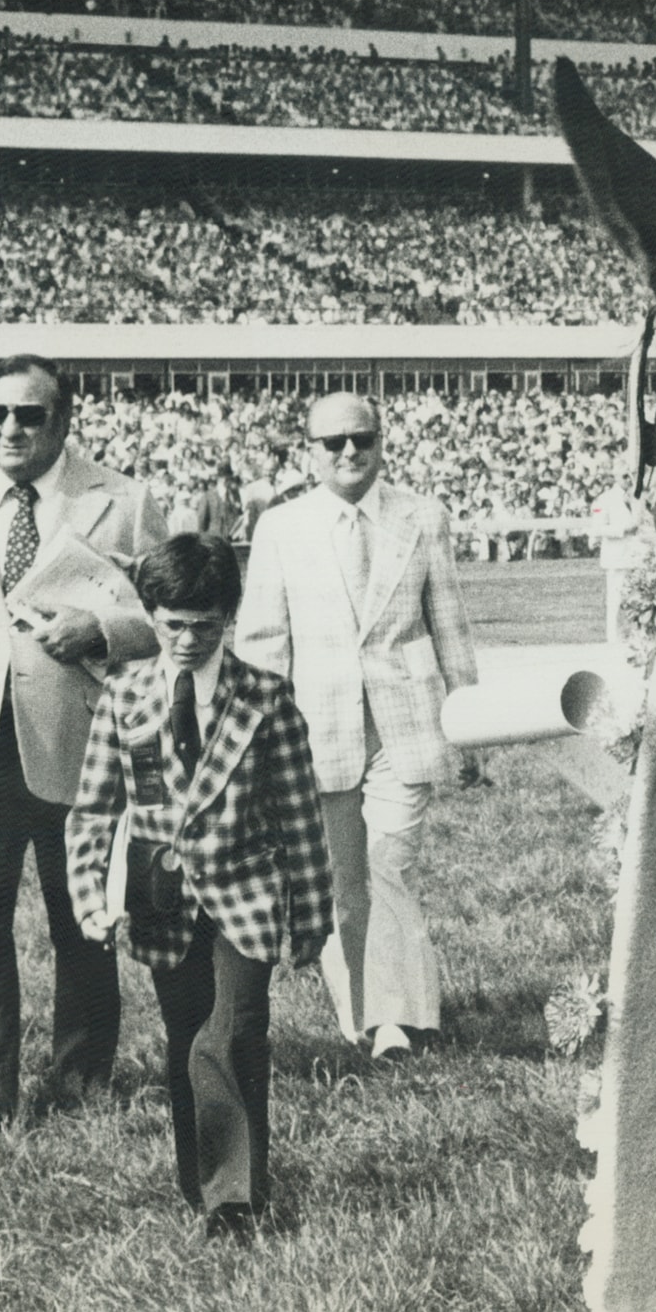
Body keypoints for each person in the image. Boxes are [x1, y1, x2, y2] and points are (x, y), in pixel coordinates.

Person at [0, 357, 164, 1141]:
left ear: (64, 419)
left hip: (82, 741)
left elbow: (173, 616)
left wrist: (104, 631)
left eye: (29, 415)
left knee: (82, 921)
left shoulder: (123, 500)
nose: (11, 430)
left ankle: (83, 1075)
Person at [64, 535, 333, 1238]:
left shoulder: (266, 698)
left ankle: (234, 1199)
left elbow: (298, 814)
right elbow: (95, 810)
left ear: (229, 619)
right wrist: (92, 897)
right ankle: (204, 1178)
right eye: (171, 624)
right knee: (187, 1037)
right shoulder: (124, 697)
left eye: (203, 625)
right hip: (162, 903)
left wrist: (312, 914)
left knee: (236, 1030)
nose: (186, 640)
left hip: (247, 896)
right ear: (150, 615)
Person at [236, 394, 478, 1062]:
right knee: (345, 880)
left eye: (361, 439)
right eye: (333, 442)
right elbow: (261, 644)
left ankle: (396, 1021)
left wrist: (471, 719)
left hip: (409, 724)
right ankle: (368, 1012)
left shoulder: (423, 516)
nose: (349, 452)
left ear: (381, 440)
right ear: (309, 450)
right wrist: (258, 741)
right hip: (319, 732)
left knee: (386, 864)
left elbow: (450, 625)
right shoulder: (281, 527)